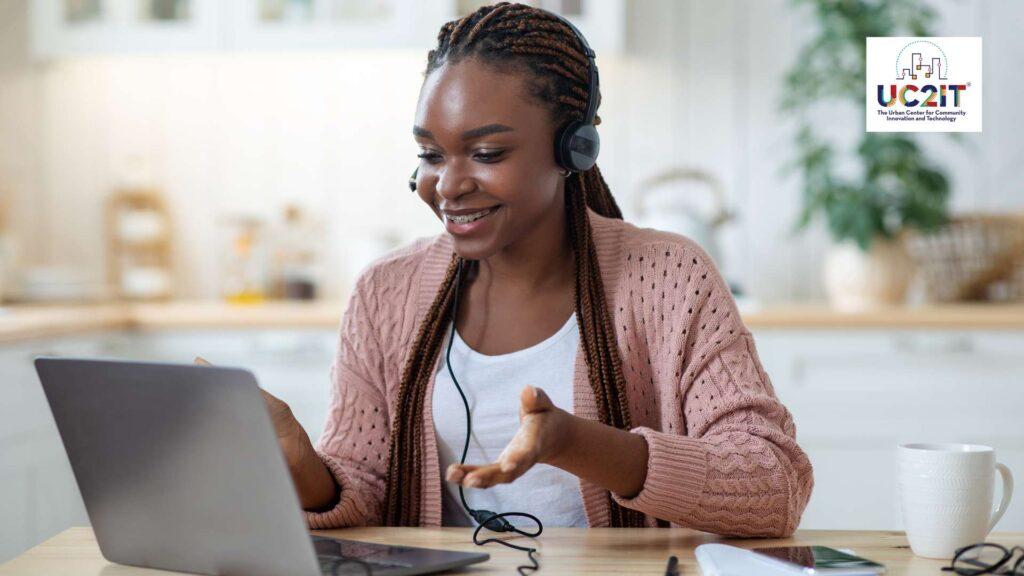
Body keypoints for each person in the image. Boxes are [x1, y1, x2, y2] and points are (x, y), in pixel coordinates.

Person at [258, 1, 813, 537]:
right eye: (430, 155)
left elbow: (773, 486)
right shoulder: (385, 292)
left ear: (575, 148)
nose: (448, 186)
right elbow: (364, 487)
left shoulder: (668, 277)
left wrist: (573, 443)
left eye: (487, 154)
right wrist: (300, 462)